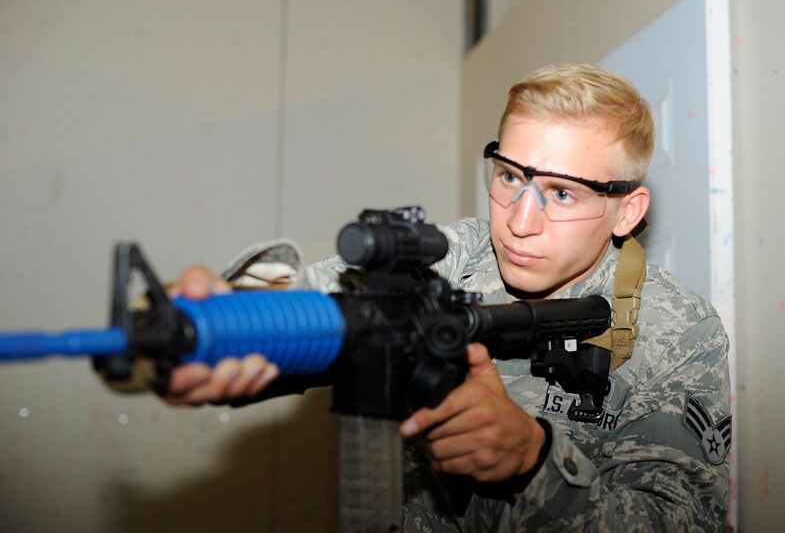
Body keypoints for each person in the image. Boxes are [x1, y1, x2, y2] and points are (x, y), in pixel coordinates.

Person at [165, 63, 731, 531]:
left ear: (627, 210)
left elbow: (678, 521)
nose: (520, 221)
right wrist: (221, 316)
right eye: (510, 177)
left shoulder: (678, 331)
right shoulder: (449, 257)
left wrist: (535, 464)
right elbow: (322, 296)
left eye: (561, 192)